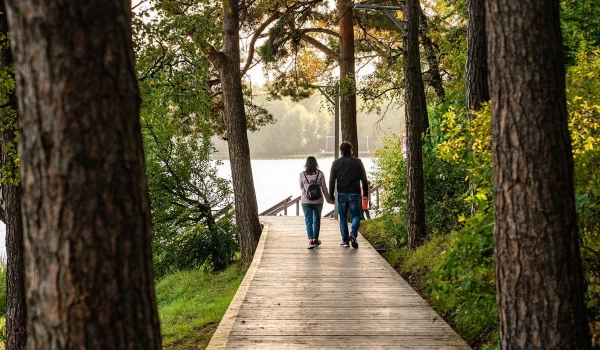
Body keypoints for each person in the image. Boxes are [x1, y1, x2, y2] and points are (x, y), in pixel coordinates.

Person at [329, 142, 368, 248]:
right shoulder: (358, 162)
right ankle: (353, 234)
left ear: (341, 150)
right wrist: (365, 193)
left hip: (341, 194)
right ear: (351, 150)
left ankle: (345, 241)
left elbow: (332, 180)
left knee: (343, 218)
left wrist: (331, 195)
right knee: (356, 215)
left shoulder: (336, 163)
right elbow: (364, 178)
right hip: (355, 193)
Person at [300, 156, 333, 249]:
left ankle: (310, 241)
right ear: (316, 163)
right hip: (318, 201)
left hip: (306, 201)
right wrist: (329, 200)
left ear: (306, 164)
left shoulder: (302, 174)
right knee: (317, 220)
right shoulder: (320, 174)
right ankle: (315, 240)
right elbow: (324, 188)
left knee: (308, 220)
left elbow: (301, 187)